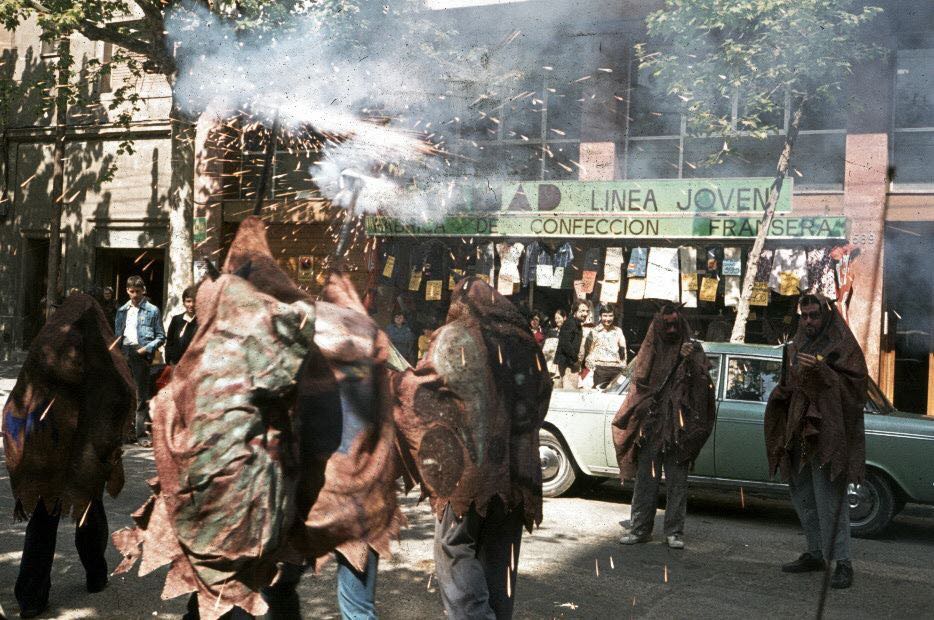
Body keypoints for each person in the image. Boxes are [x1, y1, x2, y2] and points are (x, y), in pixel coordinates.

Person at [393, 277, 552, 620]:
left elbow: (418, 391)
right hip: (517, 472)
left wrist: (393, 381)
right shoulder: (525, 343)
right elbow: (541, 397)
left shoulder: (457, 336)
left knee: (455, 546)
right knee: (500, 554)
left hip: (468, 471)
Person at [3, 293, 135, 618]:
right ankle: (94, 577)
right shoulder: (95, 348)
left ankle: (32, 598)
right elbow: (122, 388)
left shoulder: (49, 342)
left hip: (51, 445)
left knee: (51, 516)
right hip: (74, 447)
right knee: (85, 510)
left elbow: (21, 397)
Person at [764, 294, 867, 590]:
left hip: (828, 435)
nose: (809, 321)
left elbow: (857, 392)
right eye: (805, 315)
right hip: (798, 432)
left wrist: (824, 372)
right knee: (804, 497)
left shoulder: (843, 346)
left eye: (814, 315)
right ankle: (815, 553)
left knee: (830, 501)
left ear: (826, 316)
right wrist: (782, 393)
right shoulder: (796, 345)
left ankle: (843, 562)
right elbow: (789, 384)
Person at [612, 304, 716, 550]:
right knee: (645, 481)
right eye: (666, 324)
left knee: (677, 482)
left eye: (674, 324)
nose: (671, 329)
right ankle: (640, 529)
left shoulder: (693, 348)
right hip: (652, 426)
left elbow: (703, 388)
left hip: (679, 430)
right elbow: (641, 382)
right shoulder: (652, 347)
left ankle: (674, 532)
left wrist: (690, 361)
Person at [114, 275, 165, 446]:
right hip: (124, 351)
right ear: (127, 291)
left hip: (141, 352)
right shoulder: (122, 310)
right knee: (123, 393)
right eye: (131, 291)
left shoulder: (152, 310)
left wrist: (145, 349)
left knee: (140, 395)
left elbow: (161, 336)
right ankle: (124, 433)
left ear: (143, 290)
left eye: (138, 291)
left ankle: (141, 434)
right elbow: (118, 334)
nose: (135, 295)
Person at [584, 303, 627, 389]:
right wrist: (594, 368)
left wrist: (623, 367)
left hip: (616, 369)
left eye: (610, 316)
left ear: (614, 316)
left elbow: (623, 350)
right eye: (605, 316)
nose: (607, 319)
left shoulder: (618, 331)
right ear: (600, 316)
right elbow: (588, 351)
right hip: (600, 370)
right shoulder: (594, 332)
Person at [554, 300, 588, 389]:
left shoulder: (576, 324)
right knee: (570, 392)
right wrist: (575, 360)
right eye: (582, 311)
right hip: (568, 364)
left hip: (569, 363)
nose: (585, 314)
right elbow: (565, 343)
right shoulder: (570, 323)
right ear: (575, 311)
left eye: (587, 311)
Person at [165, 285, 199, 365]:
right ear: (183, 302)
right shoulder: (176, 320)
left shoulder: (201, 321)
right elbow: (169, 342)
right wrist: (169, 360)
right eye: (188, 301)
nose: (191, 304)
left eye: (194, 301)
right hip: (176, 364)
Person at [542, 309, 565, 379]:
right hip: (551, 362)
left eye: (559, 318)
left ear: (564, 318)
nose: (557, 320)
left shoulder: (568, 331)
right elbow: (546, 347)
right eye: (556, 318)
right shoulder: (552, 331)